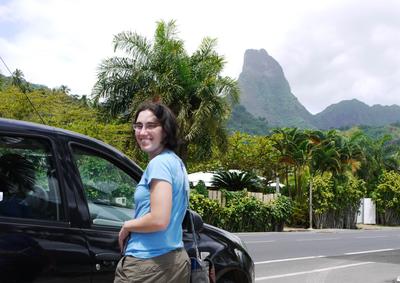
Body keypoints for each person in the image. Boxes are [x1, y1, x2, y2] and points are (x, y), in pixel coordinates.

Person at [114, 101, 190, 283]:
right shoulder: (176, 162)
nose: (142, 132)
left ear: (165, 130)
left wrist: (127, 225)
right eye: (138, 126)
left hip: (147, 264)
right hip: (174, 260)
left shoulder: (159, 164)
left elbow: (158, 219)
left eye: (151, 126)